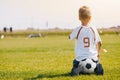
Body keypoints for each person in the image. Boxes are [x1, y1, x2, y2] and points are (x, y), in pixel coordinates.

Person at [69, 6, 103, 76]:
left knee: (75, 62)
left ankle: (77, 68)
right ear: (90, 17)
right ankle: (97, 67)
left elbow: (69, 38)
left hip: (80, 59)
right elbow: (100, 43)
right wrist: (98, 53)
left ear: (79, 18)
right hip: (93, 58)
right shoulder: (93, 29)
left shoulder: (78, 29)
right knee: (97, 61)